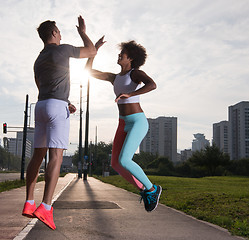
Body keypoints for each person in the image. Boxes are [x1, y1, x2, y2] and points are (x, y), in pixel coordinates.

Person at [22, 16, 96, 230]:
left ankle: (29, 202)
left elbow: (42, 85)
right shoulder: (62, 49)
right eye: (60, 32)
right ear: (54, 33)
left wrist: (67, 102)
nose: (62, 35)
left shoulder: (38, 59)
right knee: (56, 155)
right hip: (56, 107)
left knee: (38, 155)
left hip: (42, 105)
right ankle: (45, 206)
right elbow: (91, 51)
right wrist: (83, 31)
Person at [85, 36, 162, 212]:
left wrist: (130, 94)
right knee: (116, 163)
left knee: (125, 160)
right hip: (123, 123)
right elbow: (88, 70)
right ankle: (144, 190)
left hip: (137, 121)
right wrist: (93, 51)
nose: (119, 56)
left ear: (131, 58)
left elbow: (152, 85)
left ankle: (152, 189)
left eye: (123, 54)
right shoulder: (114, 78)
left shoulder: (135, 73)